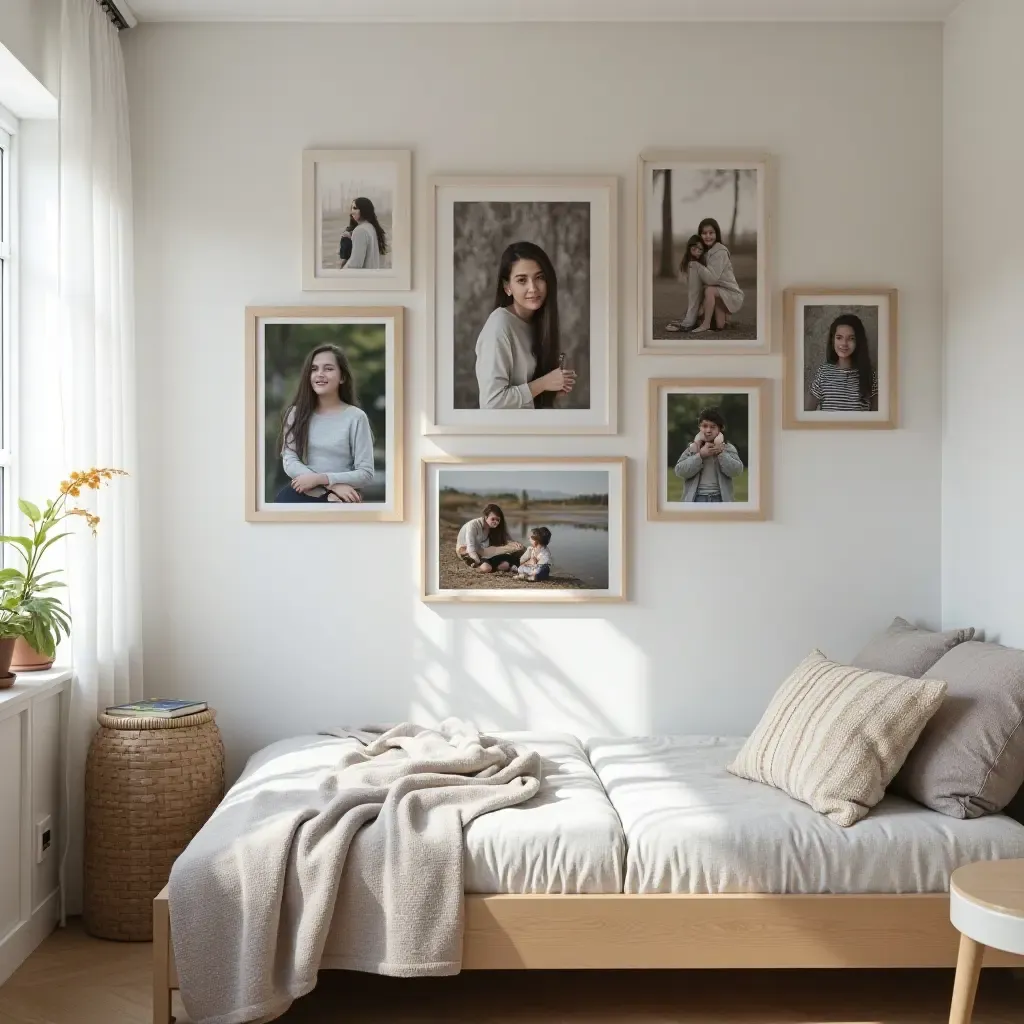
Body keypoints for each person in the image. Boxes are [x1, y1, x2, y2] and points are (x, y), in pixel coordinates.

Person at [474, 241, 576, 410]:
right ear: (507, 287)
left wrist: (553, 388)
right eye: (522, 280)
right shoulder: (499, 325)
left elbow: (524, 394)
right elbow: (492, 403)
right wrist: (544, 383)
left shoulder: (536, 323)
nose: (533, 288)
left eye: (540, 278)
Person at [275, 344, 375, 504]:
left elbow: (365, 473)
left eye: (328, 369)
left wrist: (322, 479)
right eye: (314, 369)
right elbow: (289, 460)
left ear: (342, 377)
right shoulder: (295, 413)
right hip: (298, 495)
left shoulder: (356, 417)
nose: (319, 374)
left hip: (338, 500)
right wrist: (331, 485)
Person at [666, 218, 744, 334]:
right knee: (719, 325)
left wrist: (696, 265)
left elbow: (712, 279)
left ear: (716, 234)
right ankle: (715, 320)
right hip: (719, 294)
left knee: (709, 290)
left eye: (711, 233)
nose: (708, 236)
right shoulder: (706, 252)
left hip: (730, 294)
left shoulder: (720, 252)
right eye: (704, 233)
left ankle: (703, 323)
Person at [806, 313, 878, 412]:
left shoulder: (869, 374)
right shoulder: (823, 372)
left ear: (858, 342)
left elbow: (876, 417)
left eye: (851, 338)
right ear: (833, 340)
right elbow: (807, 413)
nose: (844, 343)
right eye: (839, 337)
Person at [673, 406, 744, 503]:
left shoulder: (727, 448)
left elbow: (736, 471)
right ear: (699, 428)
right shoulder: (693, 448)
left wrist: (721, 453)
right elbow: (680, 471)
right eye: (704, 426)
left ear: (720, 429)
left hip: (720, 499)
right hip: (696, 499)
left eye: (713, 427)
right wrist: (700, 455)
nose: (708, 430)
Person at [456, 503, 525, 573]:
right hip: (467, 551)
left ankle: (504, 564)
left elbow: (504, 539)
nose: (495, 522)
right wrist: (477, 562)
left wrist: (512, 542)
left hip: (484, 550)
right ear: (486, 517)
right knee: (486, 568)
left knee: (519, 547)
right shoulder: (473, 525)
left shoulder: (492, 527)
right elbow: (471, 547)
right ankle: (480, 565)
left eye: (498, 520)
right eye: (493, 519)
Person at [665, 235, 706, 332]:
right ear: (689, 248)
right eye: (694, 248)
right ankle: (691, 315)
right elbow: (689, 285)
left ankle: (691, 318)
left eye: (700, 249)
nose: (697, 251)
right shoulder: (688, 263)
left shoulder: (703, 262)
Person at [338, 197, 388, 270]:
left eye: (355, 208)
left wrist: (341, 273)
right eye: (351, 208)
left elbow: (355, 265)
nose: (352, 212)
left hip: (361, 279)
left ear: (364, 210)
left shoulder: (360, 231)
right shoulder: (371, 227)